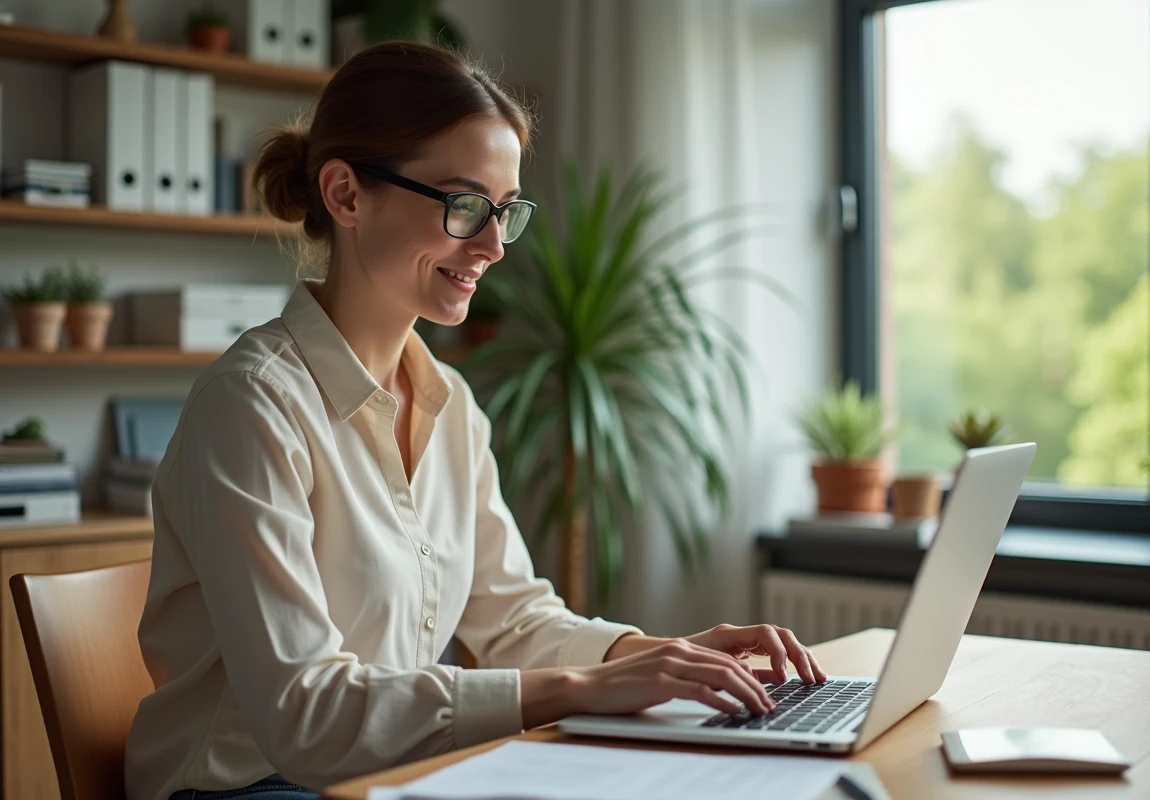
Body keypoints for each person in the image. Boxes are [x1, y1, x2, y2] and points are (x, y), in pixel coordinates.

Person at [124, 41, 826, 800]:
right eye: (463, 206)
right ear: (346, 194)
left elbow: (512, 620)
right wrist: (575, 689)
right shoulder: (253, 404)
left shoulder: (450, 403)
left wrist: (662, 654)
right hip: (249, 784)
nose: (492, 245)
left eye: (504, 211)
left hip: (387, 769)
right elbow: (306, 719)